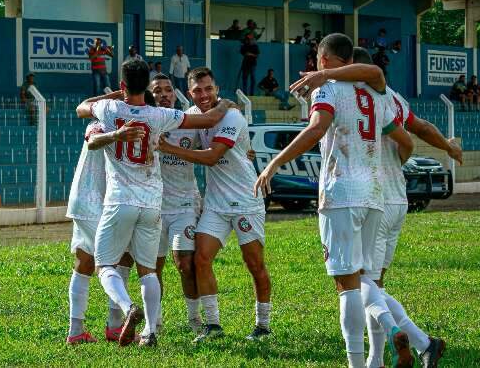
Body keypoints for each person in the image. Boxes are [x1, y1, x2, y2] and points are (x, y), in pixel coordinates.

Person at [291, 46, 461, 368]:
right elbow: (419, 130)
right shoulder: (394, 98)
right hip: (394, 198)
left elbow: (407, 139)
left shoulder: (356, 94)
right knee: (374, 281)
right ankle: (382, 356)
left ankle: (405, 342)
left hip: (369, 195)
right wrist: (447, 148)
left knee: (359, 282)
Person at [254, 33, 415, 368]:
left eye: (317, 59)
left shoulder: (326, 88)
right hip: (374, 195)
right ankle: (383, 348)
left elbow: (316, 129)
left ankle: (357, 361)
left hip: (341, 193)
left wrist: (274, 162)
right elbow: (401, 131)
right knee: (369, 279)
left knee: (347, 285)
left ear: (323, 58)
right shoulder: (374, 91)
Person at [76, 59, 234, 347]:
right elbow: (210, 120)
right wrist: (225, 104)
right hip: (152, 204)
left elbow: (82, 106)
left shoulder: (109, 109)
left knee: (105, 265)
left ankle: (127, 308)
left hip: (121, 200)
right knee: (149, 270)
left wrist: (116, 95)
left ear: (123, 85)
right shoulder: (161, 115)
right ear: (146, 87)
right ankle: (149, 330)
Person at [159, 67, 272, 343]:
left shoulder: (232, 115)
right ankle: (213, 325)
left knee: (254, 264)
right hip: (215, 203)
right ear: (189, 93)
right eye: (197, 90)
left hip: (246, 200)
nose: (204, 94)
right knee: (200, 258)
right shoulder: (197, 117)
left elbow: (212, 156)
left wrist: (168, 148)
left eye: (208, 89)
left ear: (217, 89)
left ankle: (263, 325)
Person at [65, 93, 144, 344]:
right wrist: (121, 96)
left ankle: (76, 331)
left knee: (84, 261)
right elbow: (92, 137)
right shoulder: (106, 121)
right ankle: (120, 317)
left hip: (85, 200)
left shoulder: (122, 122)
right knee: (115, 260)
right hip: (95, 201)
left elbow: (83, 105)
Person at [149, 73, 203, 334]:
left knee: (185, 264)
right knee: (153, 267)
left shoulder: (189, 122)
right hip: (154, 208)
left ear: (175, 94)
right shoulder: (145, 123)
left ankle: (195, 321)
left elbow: (217, 113)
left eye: (168, 90)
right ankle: (155, 323)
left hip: (184, 206)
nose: (164, 94)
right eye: (157, 90)